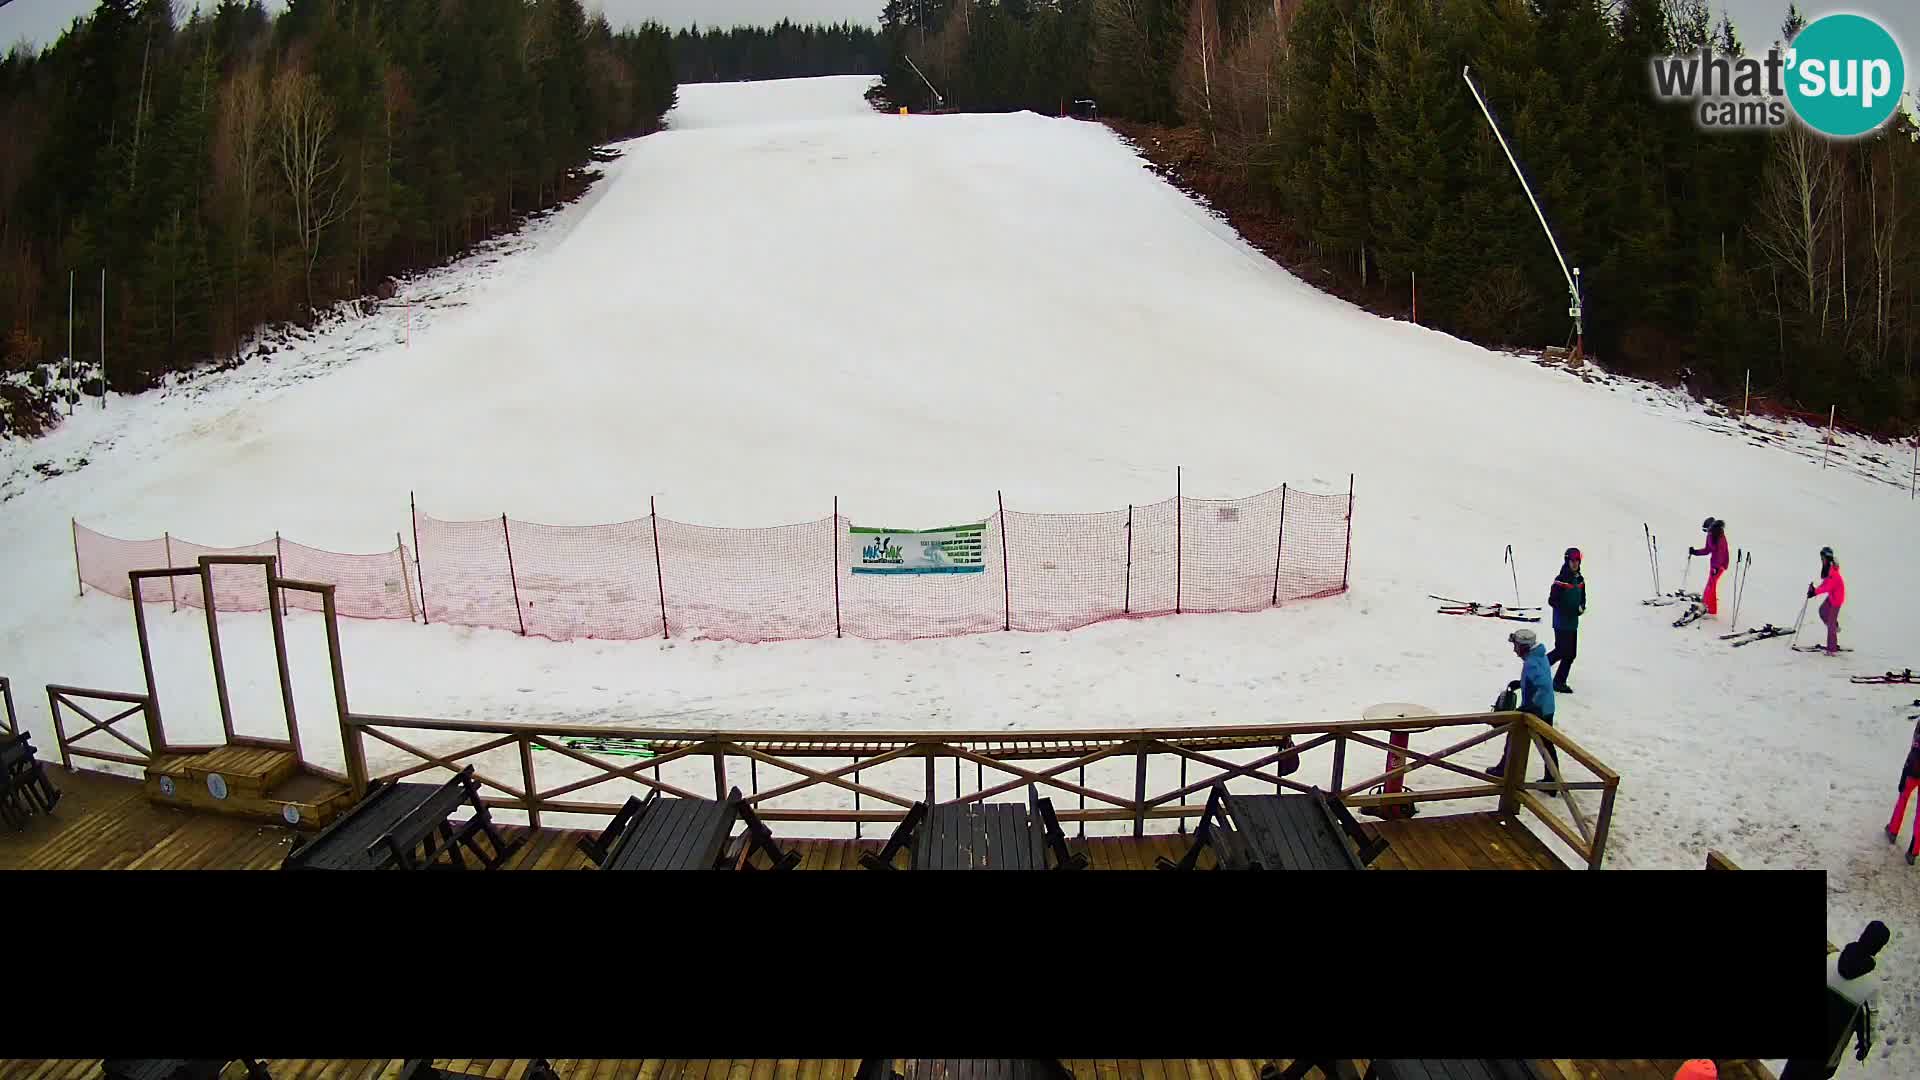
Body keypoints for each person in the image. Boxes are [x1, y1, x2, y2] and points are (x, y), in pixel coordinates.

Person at [1781, 921, 1888, 1078]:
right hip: (1825, 1059)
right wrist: (1865, 1046)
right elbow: (1868, 1029)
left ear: (1862, 936)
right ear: (1878, 948)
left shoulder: (1830, 960)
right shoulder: (1870, 987)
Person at [1487, 627, 1557, 783]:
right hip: (1547, 708)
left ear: (1523, 647)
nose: (1514, 650)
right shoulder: (1538, 656)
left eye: (1516, 646)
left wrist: (1532, 706)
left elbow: (1544, 686)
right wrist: (1521, 683)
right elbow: (1541, 680)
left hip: (1538, 710)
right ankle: (1552, 779)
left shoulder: (1531, 663)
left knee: (1515, 735)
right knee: (1546, 745)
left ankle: (1504, 769)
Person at [1546, 547, 1585, 694]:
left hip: (1572, 623)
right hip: (1561, 623)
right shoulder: (1560, 580)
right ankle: (1538, 667)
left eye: (1577, 561)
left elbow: (1582, 597)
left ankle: (1559, 681)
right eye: (1572, 561)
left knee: (1571, 654)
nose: (1575, 564)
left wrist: (1582, 606)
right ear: (1567, 561)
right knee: (1561, 651)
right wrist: (1567, 610)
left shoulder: (1580, 580)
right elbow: (1552, 600)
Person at [1887, 716, 1920, 866]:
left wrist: (1904, 773)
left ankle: (1893, 831)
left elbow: (1914, 749)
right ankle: (1913, 852)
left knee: (1903, 799)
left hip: (1913, 770)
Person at [1807, 546, 1847, 655]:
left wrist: (1815, 592)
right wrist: (1814, 589)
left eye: (1823, 557)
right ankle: (1835, 626)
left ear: (1827, 558)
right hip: (1832, 597)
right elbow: (1825, 584)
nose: (1821, 559)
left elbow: (1827, 587)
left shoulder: (1833, 573)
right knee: (1822, 611)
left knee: (1830, 623)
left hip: (1836, 600)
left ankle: (1832, 649)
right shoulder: (1828, 568)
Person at [1689, 517, 1730, 616]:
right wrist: (1695, 552)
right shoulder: (1711, 535)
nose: (1706, 532)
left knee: (1710, 587)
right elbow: (1708, 550)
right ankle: (1707, 604)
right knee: (1710, 586)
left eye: (1706, 530)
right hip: (1715, 564)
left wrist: (1716, 567)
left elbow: (1721, 552)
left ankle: (1711, 610)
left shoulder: (1718, 536)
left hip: (1719, 565)